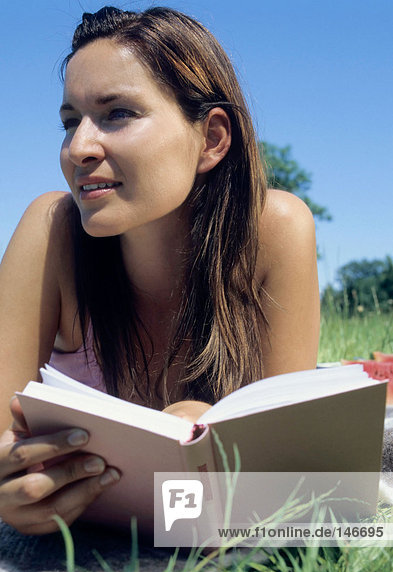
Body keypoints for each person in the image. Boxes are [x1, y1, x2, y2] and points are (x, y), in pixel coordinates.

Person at [0, 6, 319, 535]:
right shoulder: (51, 229)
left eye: (117, 113)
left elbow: (296, 476)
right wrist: (14, 490)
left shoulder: (275, 230)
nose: (78, 148)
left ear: (212, 139)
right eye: (69, 121)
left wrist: (208, 445)